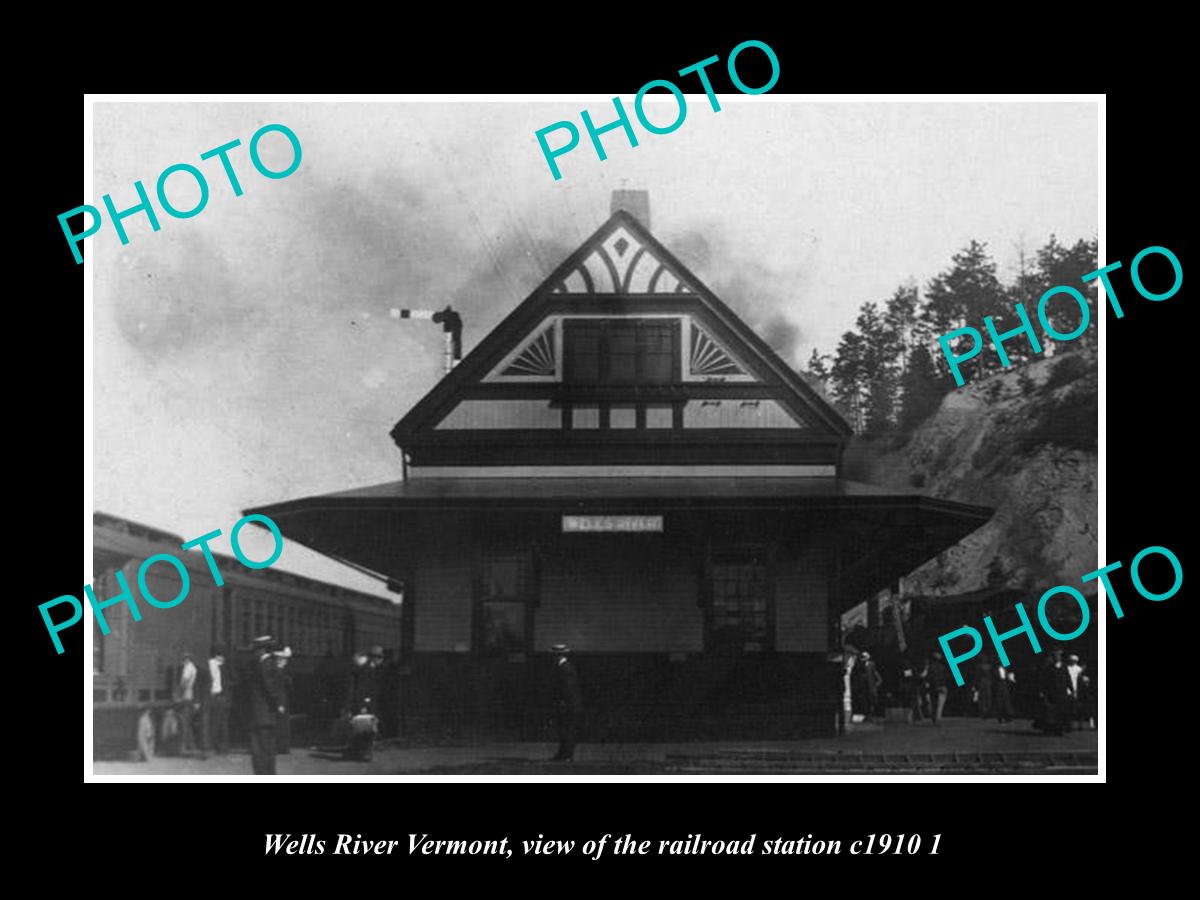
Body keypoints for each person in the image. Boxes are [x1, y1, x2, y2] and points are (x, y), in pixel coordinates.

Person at [247, 635, 285, 775]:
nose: (254, 652)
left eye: (256, 649)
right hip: (266, 713)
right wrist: (278, 704)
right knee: (266, 747)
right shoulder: (268, 663)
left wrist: (277, 702)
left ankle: (263, 773)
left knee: (259, 747)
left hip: (260, 713)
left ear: (262, 650)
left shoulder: (261, 664)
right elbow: (271, 687)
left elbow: (269, 687)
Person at [549, 644, 582, 761]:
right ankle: (564, 753)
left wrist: (564, 701)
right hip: (568, 703)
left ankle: (566, 754)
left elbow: (568, 688)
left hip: (567, 704)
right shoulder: (563, 667)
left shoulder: (565, 668)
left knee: (566, 729)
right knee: (564, 729)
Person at [200, 647, 230, 754]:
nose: (223, 659)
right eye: (222, 656)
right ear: (217, 656)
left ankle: (209, 747)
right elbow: (200, 684)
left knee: (213, 723)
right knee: (208, 722)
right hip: (208, 697)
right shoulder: (205, 667)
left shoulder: (222, 668)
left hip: (218, 697)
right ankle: (206, 748)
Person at [1037, 648, 1073, 736]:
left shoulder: (1064, 667)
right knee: (1050, 712)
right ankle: (1049, 730)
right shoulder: (1049, 667)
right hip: (1051, 692)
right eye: (1056, 656)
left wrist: (1071, 689)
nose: (1057, 657)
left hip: (1061, 693)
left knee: (1061, 712)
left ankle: (1059, 730)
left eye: (1059, 656)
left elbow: (1068, 678)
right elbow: (1044, 680)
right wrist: (1042, 691)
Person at [177, 652, 198, 754]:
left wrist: (179, 695)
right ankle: (192, 746)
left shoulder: (188, 667)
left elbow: (184, 682)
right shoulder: (193, 667)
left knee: (184, 723)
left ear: (187, 659)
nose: (183, 660)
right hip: (190, 696)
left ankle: (183, 747)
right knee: (187, 722)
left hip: (186, 696)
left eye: (184, 658)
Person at [274, 647, 293, 754]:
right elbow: (278, 689)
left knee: (283, 724)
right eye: (284, 659)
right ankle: (281, 746)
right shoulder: (278, 671)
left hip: (283, 700)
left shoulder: (280, 671)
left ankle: (282, 746)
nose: (286, 661)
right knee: (281, 724)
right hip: (281, 700)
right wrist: (279, 703)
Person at [927, 651, 949, 726]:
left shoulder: (930, 667)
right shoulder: (943, 667)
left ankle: (934, 719)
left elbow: (929, 678)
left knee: (934, 704)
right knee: (940, 705)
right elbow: (946, 677)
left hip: (933, 687)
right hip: (942, 686)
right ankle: (938, 719)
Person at [1065, 653, 1084, 731]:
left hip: (1074, 690)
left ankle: (1073, 724)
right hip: (1066, 689)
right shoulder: (1066, 667)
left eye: (1074, 661)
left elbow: (1080, 678)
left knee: (1073, 708)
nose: (1073, 662)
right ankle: (1068, 724)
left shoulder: (1078, 669)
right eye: (1071, 660)